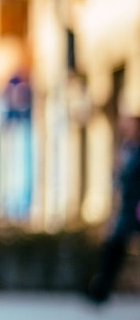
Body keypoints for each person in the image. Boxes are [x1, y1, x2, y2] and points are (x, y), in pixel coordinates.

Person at [87, 115, 140, 304]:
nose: (127, 128)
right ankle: (101, 289)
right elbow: (119, 181)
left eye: (132, 125)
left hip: (136, 206)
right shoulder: (125, 148)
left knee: (116, 245)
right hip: (128, 209)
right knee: (114, 246)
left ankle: (101, 289)